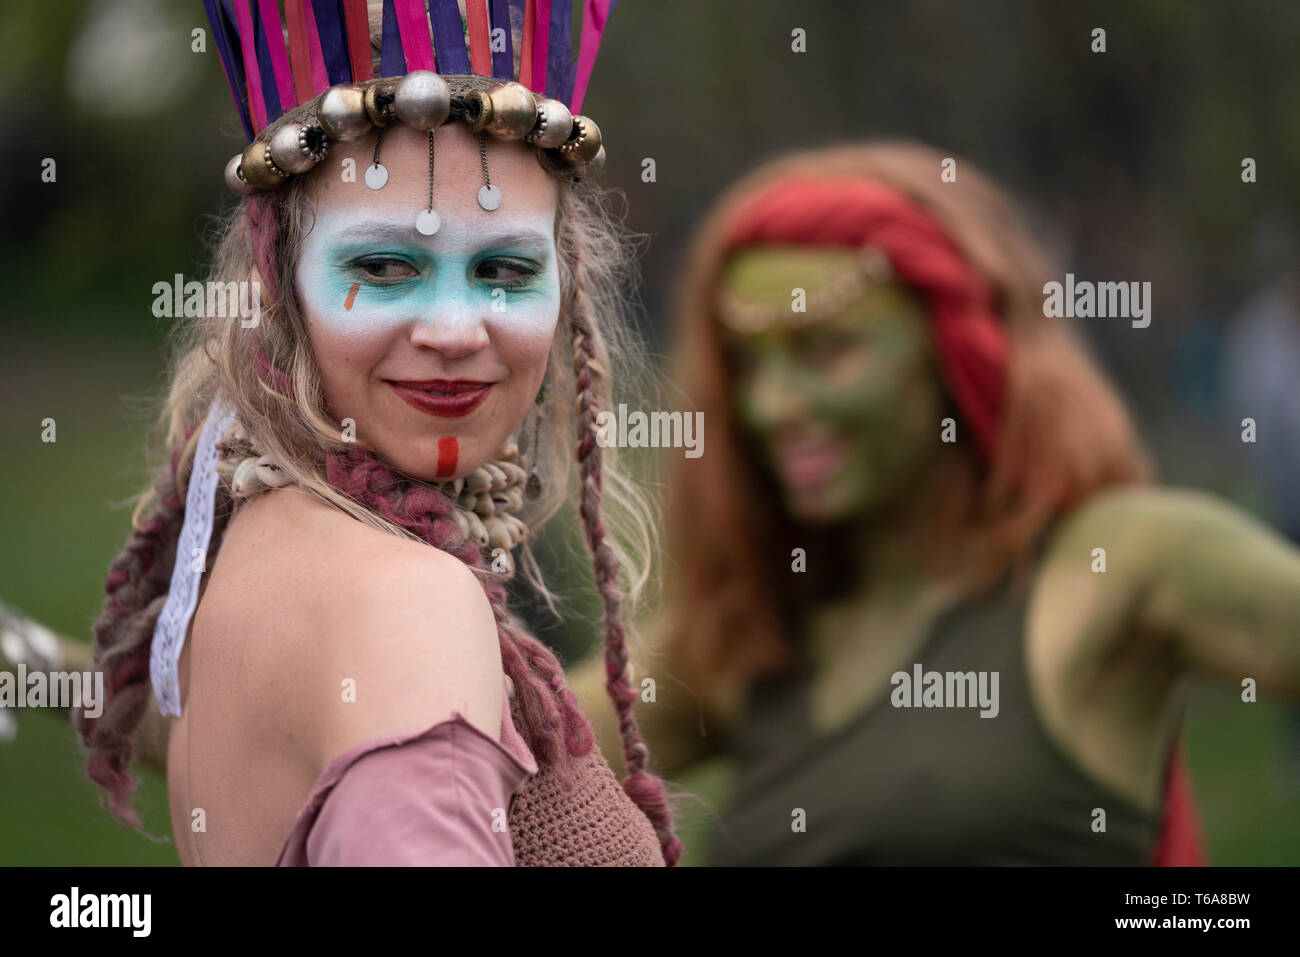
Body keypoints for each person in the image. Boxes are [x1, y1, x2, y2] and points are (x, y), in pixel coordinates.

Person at [50, 0, 680, 866]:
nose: (456, 328)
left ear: (565, 285)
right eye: (383, 266)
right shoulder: (406, 603)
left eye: (504, 268)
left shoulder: (247, 542)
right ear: (281, 284)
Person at [572, 140, 1300, 865]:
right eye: (749, 362)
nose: (774, 404)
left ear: (960, 348)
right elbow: (494, 761)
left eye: (826, 349)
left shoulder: (1118, 564)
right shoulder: (753, 632)